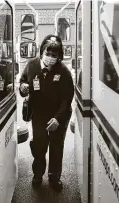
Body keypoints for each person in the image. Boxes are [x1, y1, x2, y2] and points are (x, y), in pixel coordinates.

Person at [19, 34, 74, 191]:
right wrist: (22, 88)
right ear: (42, 51)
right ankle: (37, 174)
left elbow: (67, 97)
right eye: (47, 53)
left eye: (54, 55)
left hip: (58, 116)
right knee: (39, 145)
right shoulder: (31, 65)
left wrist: (57, 119)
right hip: (39, 115)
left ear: (59, 56)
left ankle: (54, 177)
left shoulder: (63, 71)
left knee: (56, 147)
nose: (50, 57)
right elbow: (23, 81)